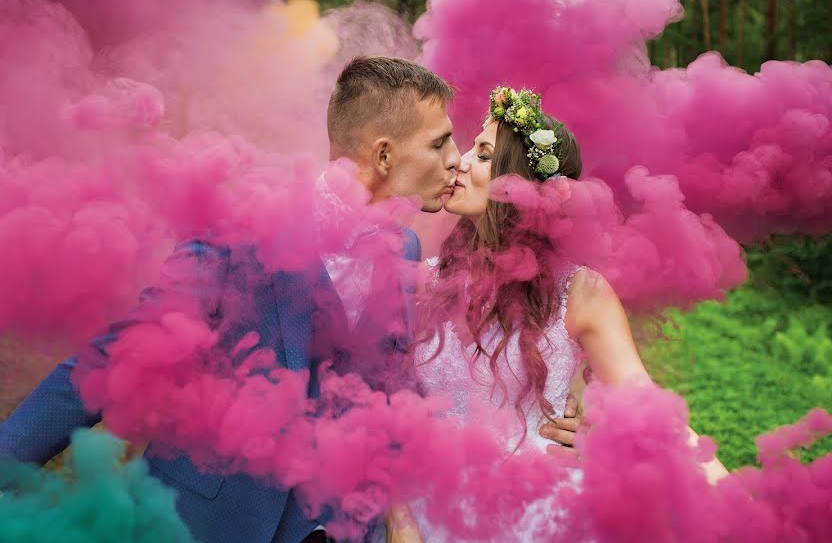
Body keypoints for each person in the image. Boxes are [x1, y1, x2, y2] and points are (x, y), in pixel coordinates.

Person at [0, 56, 463, 543]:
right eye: (438, 142)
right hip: (203, 525)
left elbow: (389, 390)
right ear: (384, 155)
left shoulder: (406, 249)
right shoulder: (243, 229)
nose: (456, 157)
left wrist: (396, 519)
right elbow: (117, 357)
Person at [389, 86, 728, 542]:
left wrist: (742, 509)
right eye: (470, 147)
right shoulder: (419, 284)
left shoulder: (580, 292)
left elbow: (654, 417)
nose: (460, 161)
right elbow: (380, 411)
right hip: (433, 521)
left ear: (520, 189)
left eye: (484, 154)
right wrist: (399, 519)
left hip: (539, 519)